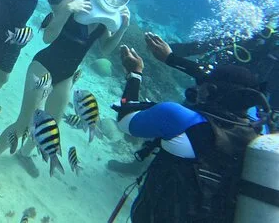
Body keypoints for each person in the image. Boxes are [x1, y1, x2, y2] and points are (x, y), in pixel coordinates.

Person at [0, 0, 135, 182]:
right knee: (25, 122)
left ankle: (24, 154)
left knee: (52, 124)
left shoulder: (107, 13)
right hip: (44, 65)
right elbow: (48, 37)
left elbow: (104, 49)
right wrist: (66, 11)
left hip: (67, 75)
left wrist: (122, 28)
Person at [111, 33, 272, 222]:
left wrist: (134, 73)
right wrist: (172, 58)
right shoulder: (259, 140)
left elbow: (125, 121)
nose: (197, 87)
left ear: (210, 90)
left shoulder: (177, 118)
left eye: (203, 84)